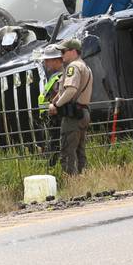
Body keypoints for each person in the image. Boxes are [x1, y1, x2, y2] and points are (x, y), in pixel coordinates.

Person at [48, 39, 93, 175]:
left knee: (68, 150)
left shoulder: (73, 67)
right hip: (83, 112)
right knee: (80, 150)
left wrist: (56, 104)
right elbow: (64, 90)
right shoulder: (85, 66)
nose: (61, 55)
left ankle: (71, 182)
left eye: (63, 51)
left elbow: (71, 90)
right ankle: (82, 178)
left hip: (73, 114)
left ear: (73, 51)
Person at [38, 44, 64, 166]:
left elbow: (60, 96)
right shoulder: (53, 77)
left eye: (47, 60)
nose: (45, 63)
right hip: (50, 119)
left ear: (56, 60)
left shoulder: (61, 77)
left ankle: (54, 170)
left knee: (56, 147)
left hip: (58, 118)